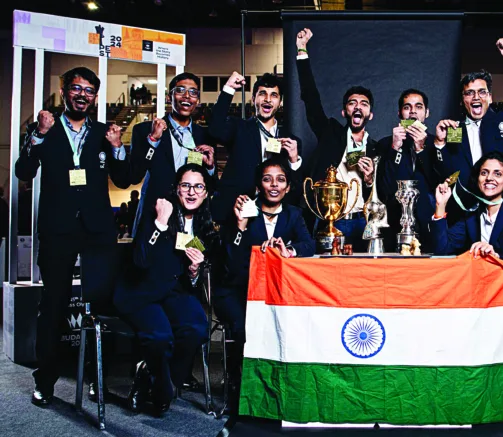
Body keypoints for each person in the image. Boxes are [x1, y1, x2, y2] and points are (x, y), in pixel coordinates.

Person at [15, 67, 131, 406]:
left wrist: (117, 147)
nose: (83, 95)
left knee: (101, 306)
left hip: (97, 231)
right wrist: (37, 135)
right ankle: (45, 381)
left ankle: (98, 379)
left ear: (95, 97)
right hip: (58, 230)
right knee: (53, 306)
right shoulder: (44, 128)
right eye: (76, 88)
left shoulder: (102, 132)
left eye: (89, 90)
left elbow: (123, 180)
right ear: (65, 91)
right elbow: (24, 171)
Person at [431, 151, 503, 399]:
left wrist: (495, 257)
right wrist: (441, 206)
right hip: (482, 296)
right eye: (484, 173)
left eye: (497, 173)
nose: (489, 178)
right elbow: (442, 252)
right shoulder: (472, 214)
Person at [114, 164, 215, 415]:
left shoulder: (203, 225)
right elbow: (139, 261)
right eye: (185, 186)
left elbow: (191, 277)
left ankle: (150, 374)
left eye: (198, 186)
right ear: (176, 189)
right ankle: (162, 389)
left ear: (205, 193)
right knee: (160, 338)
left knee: (197, 328)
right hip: (141, 292)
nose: (192, 192)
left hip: (173, 292)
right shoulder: (158, 212)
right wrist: (160, 223)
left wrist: (194, 272)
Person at [215, 158, 314, 413]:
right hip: (238, 291)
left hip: (275, 293)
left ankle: (279, 390)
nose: (274, 184)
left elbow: (308, 245)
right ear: (259, 185)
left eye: (280, 180)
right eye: (267, 179)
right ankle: (241, 390)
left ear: (288, 188)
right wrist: (240, 226)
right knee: (245, 329)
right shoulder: (243, 209)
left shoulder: (294, 214)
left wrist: (288, 250)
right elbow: (228, 260)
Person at [295, 28, 379, 252]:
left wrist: (370, 179)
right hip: (334, 219)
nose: (357, 106)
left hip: (364, 221)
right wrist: (302, 51)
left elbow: (386, 192)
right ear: (345, 112)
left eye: (363, 103)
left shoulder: (377, 147)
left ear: (370, 114)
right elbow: (311, 101)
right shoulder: (331, 133)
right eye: (352, 103)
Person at [433, 36, 503, 222]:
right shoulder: (455, 129)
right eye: (469, 93)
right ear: (463, 100)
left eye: (481, 92)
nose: (476, 97)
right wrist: (439, 144)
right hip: (468, 210)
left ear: (490, 97)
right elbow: (449, 171)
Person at [210, 72, 303, 224]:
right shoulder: (239, 128)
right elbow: (214, 129)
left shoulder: (291, 141)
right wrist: (228, 89)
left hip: (273, 216)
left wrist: (294, 160)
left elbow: (296, 190)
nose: (267, 99)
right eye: (262, 94)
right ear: (253, 99)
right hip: (235, 211)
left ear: (280, 102)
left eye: (274, 95)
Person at [130, 73, 216, 236]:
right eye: (180, 90)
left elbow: (210, 186)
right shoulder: (145, 130)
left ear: (197, 100)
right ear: (169, 97)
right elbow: (135, 175)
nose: (186, 96)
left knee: (193, 261)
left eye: (193, 92)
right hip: (156, 213)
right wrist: (153, 140)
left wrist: (210, 168)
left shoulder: (204, 135)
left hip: (191, 219)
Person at [376, 89, 439, 252]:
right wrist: (395, 148)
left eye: (418, 107)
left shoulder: (437, 143)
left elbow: (440, 182)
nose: (413, 111)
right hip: (394, 224)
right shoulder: (384, 144)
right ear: (399, 113)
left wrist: (421, 150)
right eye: (407, 107)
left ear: (427, 113)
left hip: (429, 225)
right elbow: (384, 188)